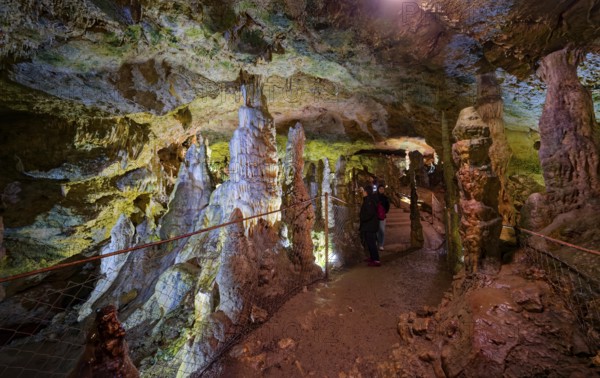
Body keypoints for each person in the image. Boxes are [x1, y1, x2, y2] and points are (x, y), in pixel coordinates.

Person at [359, 185, 381, 267]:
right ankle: (373, 257)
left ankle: (376, 260)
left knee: (371, 243)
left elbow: (370, 213)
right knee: (369, 242)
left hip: (370, 225)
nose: (363, 193)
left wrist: (363, 218)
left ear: (367, 192)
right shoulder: (368, 199)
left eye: (364, 191)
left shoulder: (369, 201)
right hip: (369, 225)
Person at [376, 185, 390, 250]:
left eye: (382, 189)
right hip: (375, 216)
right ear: (378, 189)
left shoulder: (385, 198)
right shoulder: (375, 197)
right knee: (376, 230)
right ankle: (377, 243)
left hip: (382, 217)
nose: (381, 190)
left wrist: (384, 212)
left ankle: (381, 244)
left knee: (382, 230)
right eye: (380, 189)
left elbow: (388, 206)